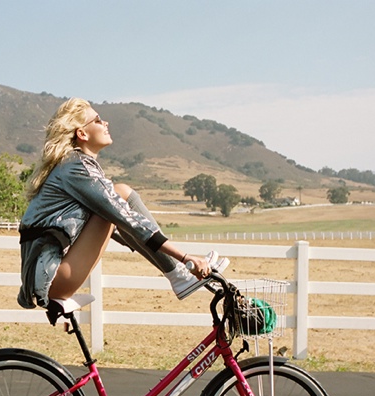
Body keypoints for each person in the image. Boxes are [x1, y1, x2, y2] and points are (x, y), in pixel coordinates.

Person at [17, 98, 228, 310]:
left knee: (119, 198)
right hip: (53, 278)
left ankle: (178, 276)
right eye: (98, 120)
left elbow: (121, 224)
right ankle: (179, 276)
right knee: (120, 194)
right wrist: (185, 257)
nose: (106, 123)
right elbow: (125, 217)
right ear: (82, 134)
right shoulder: (75, 167)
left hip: (52, 274)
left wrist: (142, 242)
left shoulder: (75, 165)